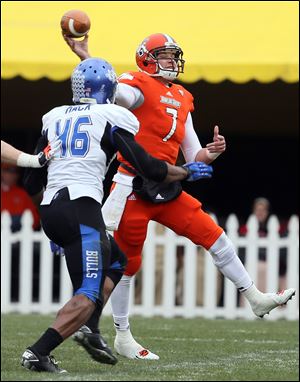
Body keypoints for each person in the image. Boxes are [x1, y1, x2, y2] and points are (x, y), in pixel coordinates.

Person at [65, 32, 296, 361]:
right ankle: (122, 333)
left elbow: (193, 154)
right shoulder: (137, 84)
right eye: (166, 55)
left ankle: (254, 297)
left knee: (214, 235)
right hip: (133, 185)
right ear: (146, 58)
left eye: (174, 55)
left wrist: (211, 153)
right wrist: (86, 56)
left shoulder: (183, 96)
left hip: (166, 186)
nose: (173, 61)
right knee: (128, 265)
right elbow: (113, 93)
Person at [20, 57, 212, 373]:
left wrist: (54, 218)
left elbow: (30, 182)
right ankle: (38, 352)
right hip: (81, 208)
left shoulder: (53, 117)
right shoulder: (111, 116)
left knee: (117, 261)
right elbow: (148, 167)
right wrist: (185, 171)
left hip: (53, 209)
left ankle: (91, 330)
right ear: (110, 88)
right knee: (89, 291)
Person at [239, 197, 288, 293]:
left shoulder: (277, 229)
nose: (260, 212)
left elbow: (282, 254)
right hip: (251, 271)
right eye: (257, 210)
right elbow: (241, 254)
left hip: (274, 269)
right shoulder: (245, 230)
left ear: (268, 212)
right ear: (253, 211)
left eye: (263, 210)